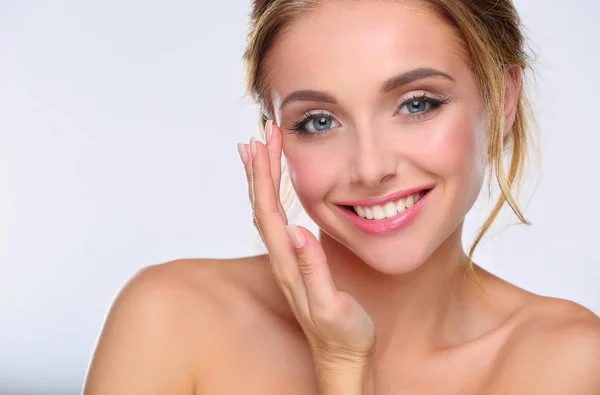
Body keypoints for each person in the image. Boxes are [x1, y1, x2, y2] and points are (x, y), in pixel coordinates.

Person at [83, 0, 600, 393]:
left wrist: (345, 371)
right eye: (319, 121)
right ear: (275, 135)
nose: (371, 168)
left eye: (417, 104)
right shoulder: (171, 316)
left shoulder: (567, 360)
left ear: (503, 99)